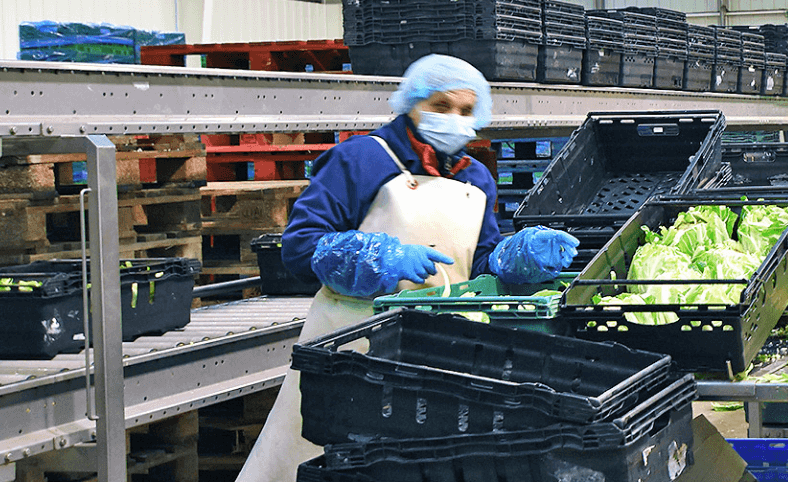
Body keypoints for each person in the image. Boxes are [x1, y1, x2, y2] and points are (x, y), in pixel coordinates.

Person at [240, 55, 579, 482]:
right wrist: (377, 258)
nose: (454, 119)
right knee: (318, 461)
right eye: (440, 106)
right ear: (411, 103)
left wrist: (513, 259)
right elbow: (301, 246)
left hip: (439, 351)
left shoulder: (476, 179)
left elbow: (478, 260)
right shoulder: (360, 159)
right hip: (351, 349)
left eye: (465, 111)